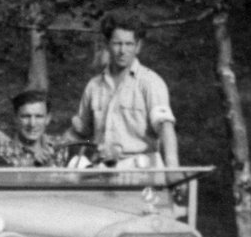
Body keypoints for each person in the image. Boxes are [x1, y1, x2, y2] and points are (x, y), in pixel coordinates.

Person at [66, 14, 180, 169]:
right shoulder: (94, 86)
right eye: (117, 43)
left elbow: (165, 127)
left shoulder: (151, 82)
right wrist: (52, 144)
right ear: (107, 44)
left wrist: (172, 166)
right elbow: (79, 132)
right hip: (102, 173)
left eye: (129, 44)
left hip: (142, 172)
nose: (122, 50)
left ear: (138, 46)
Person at [0, 90, 67, 167]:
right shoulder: (1, 156)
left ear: (48, 118)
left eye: (39, 116)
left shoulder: (63, 146)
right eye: (26, 116)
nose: (32, 124)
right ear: (15, 118)